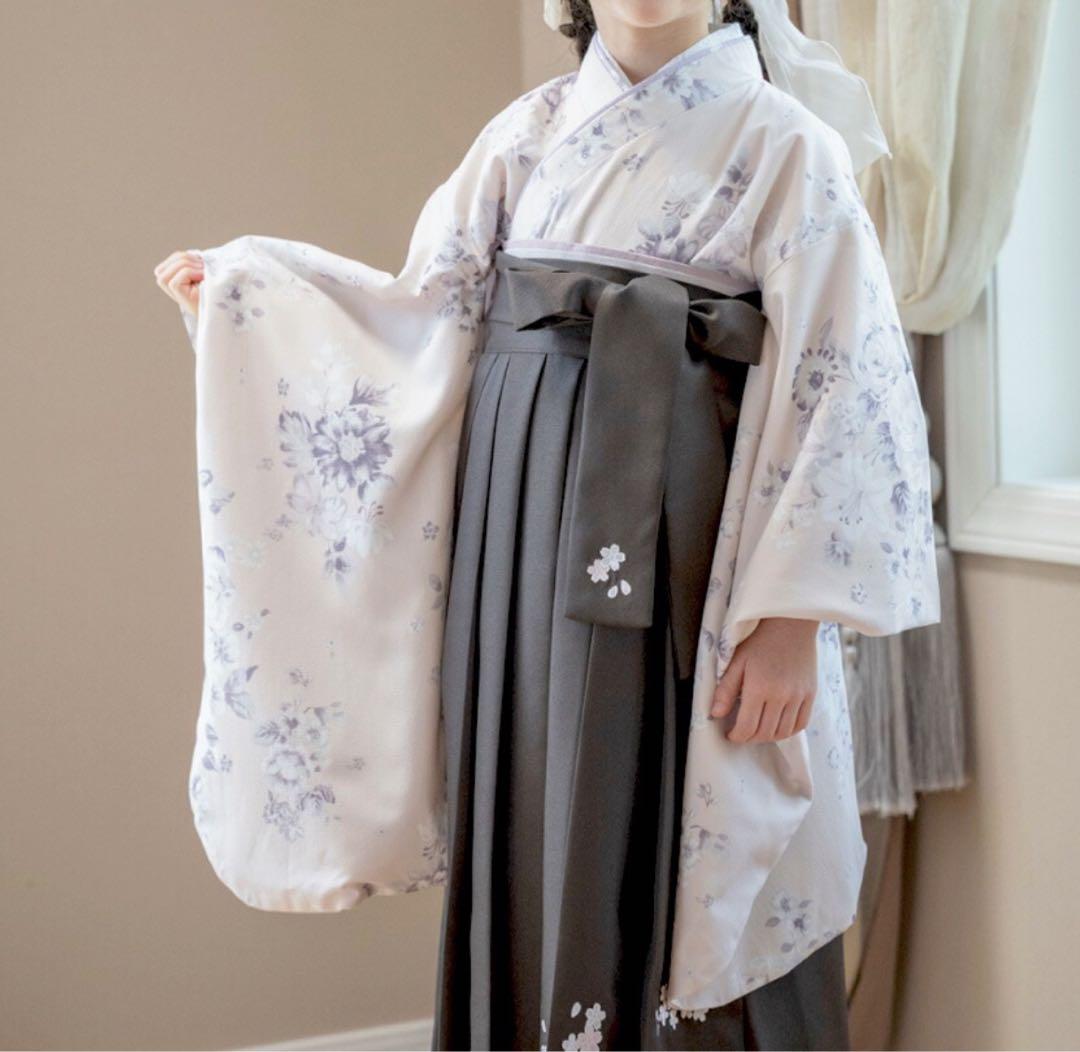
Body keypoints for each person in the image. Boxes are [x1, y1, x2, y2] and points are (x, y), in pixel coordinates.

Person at [155, 2, 939, 1049]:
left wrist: (794, 619)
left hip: (697, 554)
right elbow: (421, 319)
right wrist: (250, 302)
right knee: (533, 788)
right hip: (518, 541)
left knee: (682, 823)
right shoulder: (526, 135)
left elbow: (844, 380)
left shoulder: (789, 145)